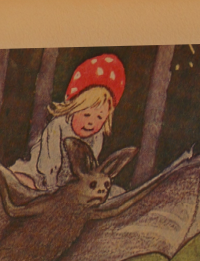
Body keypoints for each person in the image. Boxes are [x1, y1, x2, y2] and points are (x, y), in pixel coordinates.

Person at [9, 52, 126, 196]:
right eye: (86, 115)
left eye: (99, 117)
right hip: (42, 175)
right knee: (20, 183)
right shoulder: (58, 126)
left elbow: (90, 166)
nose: (91, 122)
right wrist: (52, 188)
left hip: (71, 183)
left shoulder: (97, 136)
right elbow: (48, 161)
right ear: (73, 109)